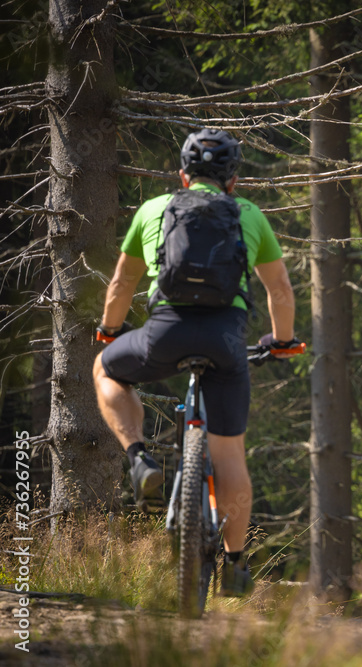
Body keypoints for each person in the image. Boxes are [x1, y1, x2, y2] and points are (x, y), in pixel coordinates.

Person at [92, 128, 300, 596]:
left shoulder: (153, 210)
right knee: (230, 456)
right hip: (226, 341)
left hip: (164, 334)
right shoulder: (248, 213)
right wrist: (282, 340)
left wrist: (109, 331)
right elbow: (280, 291)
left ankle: (139, 457)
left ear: (183, 176)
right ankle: (235, 564)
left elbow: (121, 285)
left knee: (105, 368)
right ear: (233, 180)